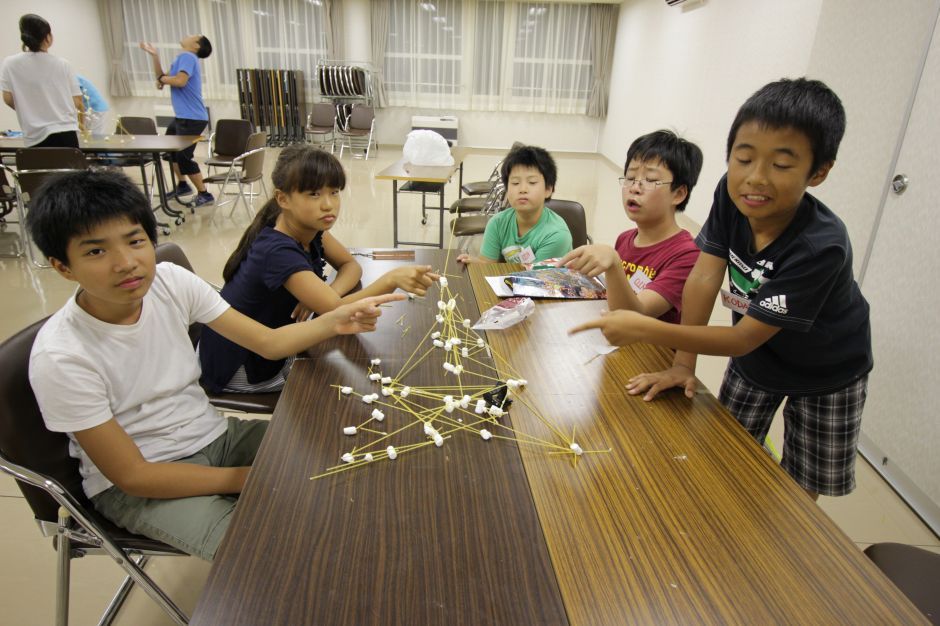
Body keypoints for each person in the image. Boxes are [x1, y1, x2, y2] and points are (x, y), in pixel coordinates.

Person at [26, 169, 401, 560]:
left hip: (214, 436)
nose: (126, 263)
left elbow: (269, 343)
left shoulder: (170, 281)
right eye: (96, 251)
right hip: (142, 484)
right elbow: (133, 475)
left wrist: (334, 319)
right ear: (63, 267)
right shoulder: (62, 356)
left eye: (135, 241)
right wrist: (252, 479)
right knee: (271, 556)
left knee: (358, 450)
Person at [571, 78, 872, 501]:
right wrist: (683, 364)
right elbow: (706, 276)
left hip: (828, 370)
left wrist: (645, 330)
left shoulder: (821, 246)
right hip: (756, 361)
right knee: (727, 454)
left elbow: (741, 337)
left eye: (781, 165)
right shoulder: (732, 196)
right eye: (743, 158)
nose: (755, 179)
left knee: (803, 486)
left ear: (818, 171)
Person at [199, 145, 439, 393]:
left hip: (270, 344)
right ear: (283, 199)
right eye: (314, 194)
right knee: (338, 391)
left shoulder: (305, 225)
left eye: (334, 192)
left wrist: (321, 297)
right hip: (242, 366)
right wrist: (391, 279)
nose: (328, 205)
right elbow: (340, 312)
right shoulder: (277, 251)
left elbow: (351, 266)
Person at [559, 130, 703, 323]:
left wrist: (613, 263)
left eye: (650, 180)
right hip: (620, 343)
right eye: (630, 177)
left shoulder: (687, 255)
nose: (635, 188)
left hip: (651, 350)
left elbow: (636, 315)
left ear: (678, 194)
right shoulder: (626, 238)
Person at [457, 145, 572, 265]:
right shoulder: (497, 223)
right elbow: (487, 263)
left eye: (532, 182)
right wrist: (473, 262)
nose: (522, 189)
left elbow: (536, 279)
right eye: (515, 182)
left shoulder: (557, 236)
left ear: (548, 189)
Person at [139, 35, 214, 207]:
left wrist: (162, 80)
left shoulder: (188, 57)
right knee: (170, 153)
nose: (186, 36)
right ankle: (182, 185)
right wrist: (155, 56)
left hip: (192, 118)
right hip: (182, 117)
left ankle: (205, 194)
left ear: (196, 45)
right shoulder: (182, 58)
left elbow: (180, 81)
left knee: (184, 157)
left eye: (192, 36)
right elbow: (162, 77)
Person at [0, 14, 84, 148]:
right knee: (70, 169)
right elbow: (77, 101)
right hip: (65, 134)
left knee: (39, 169)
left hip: (34, 137)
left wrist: (30, 109)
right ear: (48, 37)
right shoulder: (63, 64)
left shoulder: (10, 64)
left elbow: (8, 99)